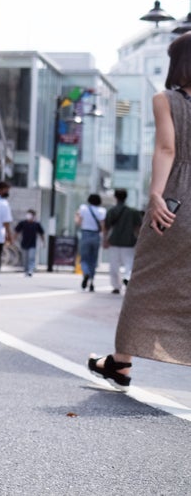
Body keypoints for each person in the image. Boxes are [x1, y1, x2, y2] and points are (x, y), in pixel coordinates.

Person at [89, 33, 191, 389]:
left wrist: (156, 194)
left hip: (177, 202)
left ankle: (121, 363)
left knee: (146, 281)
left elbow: (166, 149)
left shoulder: (165, 100)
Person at [102, 188, 142, 293]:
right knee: (129, 263)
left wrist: (104, 240)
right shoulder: (133, 212)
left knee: (114, 265)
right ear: (126, 197)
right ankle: (127, 277)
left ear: (115, 197)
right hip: (129, 241)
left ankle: (116, 286)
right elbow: (138, 228)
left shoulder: (112, 211)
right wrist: (139, 240)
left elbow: (106, 227)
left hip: (114, 241)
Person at [75, 194, 106, 292]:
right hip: (96, 235)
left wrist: (77, 216)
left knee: (84, 258)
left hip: (85, 234)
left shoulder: (83, 208)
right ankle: (92, 282)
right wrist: (104, 238)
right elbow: (103, 225)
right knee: (93, 260)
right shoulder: (102, 211)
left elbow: (78, 222)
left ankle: (86, 273)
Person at [14, 209, 44, 277]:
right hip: (24, 243)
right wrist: (13, 239)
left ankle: (30, 270)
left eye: (30, 215)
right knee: (25, 259)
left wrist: (43, 242)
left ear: (33, 216)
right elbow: (17, 231)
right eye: (28, 214)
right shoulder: (22, 223)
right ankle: (26, 271)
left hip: (32, 244)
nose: (28, 216)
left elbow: (41, 233)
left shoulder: (36, 224)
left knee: (31, 257)